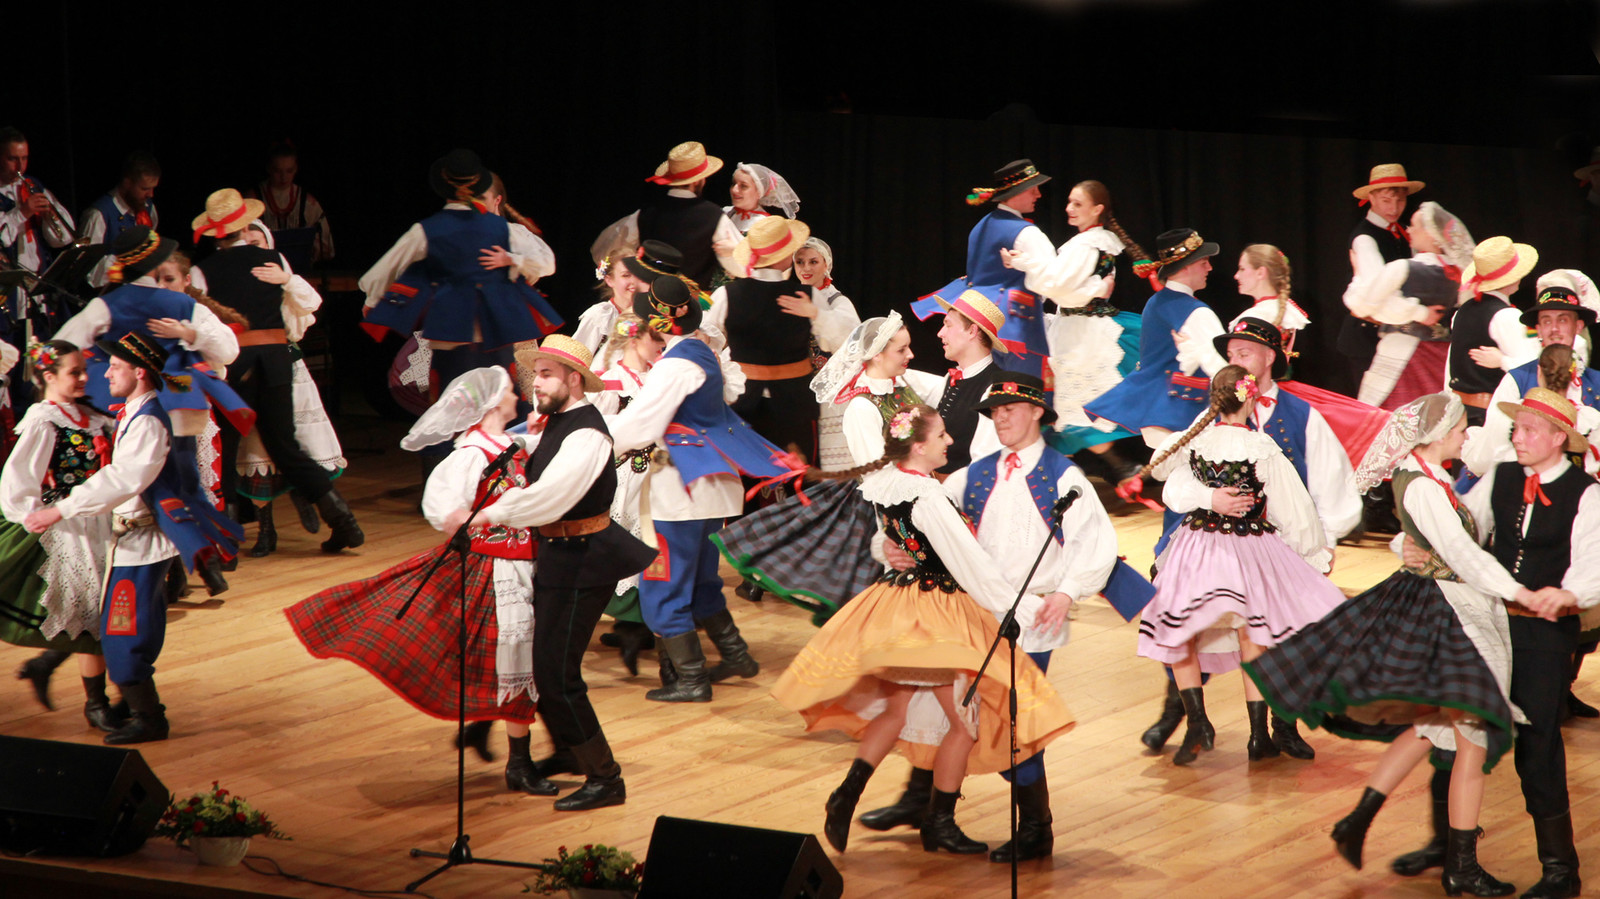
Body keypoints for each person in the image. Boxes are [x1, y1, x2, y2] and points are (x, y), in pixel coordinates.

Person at [1245, 391, 1546, 896]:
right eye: (1460, 428)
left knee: (1433, 725)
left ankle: (1359, 820)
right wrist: (1519, 592)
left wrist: (1409, 541)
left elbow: (1442, 529)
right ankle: (1461, 866)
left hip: (1443, 603)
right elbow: (1461, 551)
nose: (1466, 435)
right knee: (1473, 737)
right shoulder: (1424, 486)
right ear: (1436, 435)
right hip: (1455, 612)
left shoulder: (1427, 477)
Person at [770, 404, 1075, 857]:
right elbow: (967, 562)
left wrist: (889, 549)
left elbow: (891, 540)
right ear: (917, 446)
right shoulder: (928, 496)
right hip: (937, 613)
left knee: (895, 713)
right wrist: (1016, 608)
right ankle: (938, 823)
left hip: (898, 605)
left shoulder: (887, 484)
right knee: (964, 725)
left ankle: (846, 795)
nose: (949, 441)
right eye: (941, 435)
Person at [863, 373, 1128, 863]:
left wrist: (1067, 593)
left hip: (1032, 617)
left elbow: (1095, 543)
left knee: (1012, 720)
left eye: (1010, 409)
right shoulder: (975, 474)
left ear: (1037, 412)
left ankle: (1035, 828)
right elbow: (919, 522)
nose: (1000, 418)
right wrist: (888, 548)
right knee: (951, 711)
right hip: (974, 615)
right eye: (994, 411)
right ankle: (925, 803)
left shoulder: (1063, 476)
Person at [287, 366, 554, 796]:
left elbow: (532, 447)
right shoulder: (472, 453)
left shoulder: (504, 443)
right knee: (513, 656)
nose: (515, 396)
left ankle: (489, 733)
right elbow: (442, 504)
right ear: (491, 404)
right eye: (508, 391)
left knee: (504, 657)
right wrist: (472, 525)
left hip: (518, 561)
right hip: (494, 568)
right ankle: (518, 765)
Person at [1389, 387, 1598, 898]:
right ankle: (1447, 847)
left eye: (1528, 430)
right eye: (1515, 428)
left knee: (1537, 743)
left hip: (1544, 635)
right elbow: (1458, 530)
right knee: (1454, 727)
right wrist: (1411, 546)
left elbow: (1594, 562)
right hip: (1484, 621)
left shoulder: (1586, 493)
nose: (1516, 437)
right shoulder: (1501, 477)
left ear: (1558, 438)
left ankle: (1560, 869)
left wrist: (1569, 592)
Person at [1138, 316, 1362, 756]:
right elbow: (1173, 474)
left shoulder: (1302, 415)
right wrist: (1208, 498)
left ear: (1270, 357)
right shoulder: (1209, 424)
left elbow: (1328, 484)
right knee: (1192, 624)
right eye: (1231, 354)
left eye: (1244, 352)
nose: (1236, 358)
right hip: (1209, 541)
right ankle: (1182, 716)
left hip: (1273, 544)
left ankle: (1281, 727)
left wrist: (1322, 546)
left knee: (1271, 632)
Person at [464, 334, 656, 811]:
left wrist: (488, 514)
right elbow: (534, 451)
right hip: (561, 554)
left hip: (585, 560)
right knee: (544, 667)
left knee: (557, 675)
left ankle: (606, 778)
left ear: (574, 380)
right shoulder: (560, 422)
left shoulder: (588, 433)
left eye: (547, 374)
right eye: (536, 374)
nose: (536, 382)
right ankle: (570, 752)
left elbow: (550, 496)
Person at [24, 333, 244, 745]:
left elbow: (124, 478)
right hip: (129, 541)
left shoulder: (148, 420)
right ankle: (130, 704)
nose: (105, 373)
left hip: (141, 544)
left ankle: (150, 717)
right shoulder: (137, 412)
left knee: (123, 632)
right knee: (127, 627)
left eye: (115, 367)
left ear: (140, 372)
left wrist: (60, 509)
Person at [606, 277, 795, 702]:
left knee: (664, 582)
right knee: (701, 580)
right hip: (711, 486)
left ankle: (691, 680)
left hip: (682, 490)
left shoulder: (675, 366)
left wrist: (594, 440)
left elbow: (641, 425)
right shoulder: (703, 354)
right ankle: (735, 655)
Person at [713, 312, 942, 623]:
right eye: (902, 349)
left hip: (913, 498)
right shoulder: (862, 406)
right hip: (885, 507)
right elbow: (878, 475)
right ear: (876, 354)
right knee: (881, 591)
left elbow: (951, 387)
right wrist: (894, 526)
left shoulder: (902, 383)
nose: (911, 354)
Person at [198, 188, 364, 552]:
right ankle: (344, 522)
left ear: (214, 233)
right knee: (285, 447)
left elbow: (202, 323)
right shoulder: (274, 259)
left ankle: (225, 545)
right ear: (245, 227)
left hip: (234, 363)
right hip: (275, 361)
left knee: (225, 448)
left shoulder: (202, 271)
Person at [361, 150, 561, 402]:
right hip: (472, 333)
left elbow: (380, 275)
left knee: (479, 401)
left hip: (491, 333)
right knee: (477, 401)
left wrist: (373, 301)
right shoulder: (487, 231)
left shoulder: (438, 230)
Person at [4, 341, 118, 728]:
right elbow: (18, 478)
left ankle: (48, 666)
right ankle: (96, 704)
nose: (85, 377)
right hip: (70, 527)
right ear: (48, 376)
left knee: (95, 614)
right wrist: (30, 516)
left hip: (101, 521)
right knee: (92, 614)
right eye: (75, 372)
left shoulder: (92, 416)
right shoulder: (44, 420)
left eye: (84, 369)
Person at [224, 220, 344, 555]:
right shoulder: (233, 282)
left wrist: (286, 280)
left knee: (296, 443)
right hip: (249, 372)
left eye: (257, 241)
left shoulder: (282, 275)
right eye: (244, 242)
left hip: (287, 368)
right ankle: (266, 528)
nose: (250, 248)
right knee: (257, 450)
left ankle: (306, 494)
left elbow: (311, 303)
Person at [914, 159, 1057, 389]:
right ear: (1016, 192)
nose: (1038, 194)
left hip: (978, 320)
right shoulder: (1027, 234)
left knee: (984, 385)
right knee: (1025, 388)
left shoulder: (980, 226)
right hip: (1016, 327)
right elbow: (1053, 279)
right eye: (1033, 189)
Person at [704, 215, 830, 466]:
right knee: (799, 474)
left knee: (746, 473)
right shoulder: (807, 296)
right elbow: (834, 340)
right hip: (795, 404)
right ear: (785, 256)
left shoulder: (726, 295)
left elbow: (705, 339)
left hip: (741, 400)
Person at [1084, 228, 1227, 448]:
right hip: (1181, 411)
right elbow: (1221, 368)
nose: (1209, 267)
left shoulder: (1157, 302)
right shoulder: (1192, 311)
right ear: (1186, 265)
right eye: (1203, 262)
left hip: (1158, 406)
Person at [590, 311, 667, 674]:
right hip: (624, 475)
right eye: (656, 339)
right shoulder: (610, 381)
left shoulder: (661, 376)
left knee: (651, 543)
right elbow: (598, 432)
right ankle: (630, 624)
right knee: (623, 542)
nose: (662, 346)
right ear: (635, 340)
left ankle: (640, 624)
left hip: (658, 474)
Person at [1461, 284, 1600, 479]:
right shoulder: (1516, 380)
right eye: (1546, 321)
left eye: (1562, 320)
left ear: (1578, 326)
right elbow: (1493, 445)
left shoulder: (1596, 382)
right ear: (1538, 330)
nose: (1554, 329)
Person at [1350, 202, 1475, 411]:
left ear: (1432, 235)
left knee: (1395, 417)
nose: (1409, 230)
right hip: (1442, 357)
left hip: (1402, 356)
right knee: (1437, 415)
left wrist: (1358, 279)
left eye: (1414, 225)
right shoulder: (1461, 273)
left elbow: (1362, 306)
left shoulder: (1403, 267)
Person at [591, 141, 742, 290]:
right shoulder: (714, 216)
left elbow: (602, 250)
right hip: (693, 303)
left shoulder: (645, 214)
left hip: (650, 301)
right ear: (698, 181)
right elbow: (741, 266)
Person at [1340, 164, 1424, 382]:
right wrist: (1422, 313)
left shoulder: (1405, 232)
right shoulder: (1364, 238)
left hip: (1397, 335)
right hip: (1367, 337)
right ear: (1371, 198)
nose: (1394, 208)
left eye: (1400, 201)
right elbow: (1378, 290)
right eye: (1386, 201)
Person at [1448, 236, 1541, 427]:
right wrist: (1503, 361)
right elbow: (1534, 367)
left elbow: (1451, 364)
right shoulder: (1508, 316)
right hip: (1492, 416)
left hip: (1460, 413)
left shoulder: (1461, 312)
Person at [791, 237, 861, 471]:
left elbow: (852, 345)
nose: (806, 268)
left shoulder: (837, 302)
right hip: (802, 392)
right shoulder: (794, 298)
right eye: (800, 262)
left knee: (834, 461)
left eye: (813, 262)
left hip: (833, 395)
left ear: (826, 265)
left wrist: (818, 317)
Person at [929, 291, 1007, 475]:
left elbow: (986, 463)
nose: (940, 333)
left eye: (948, 325)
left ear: (972, 331)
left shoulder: (995, 388)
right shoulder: (951, 378)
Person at [244, 141, 335, 265]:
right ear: (269, 169)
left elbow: (326, 247)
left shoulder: (307, 202)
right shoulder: (253, 199)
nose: (283, 177)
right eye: (277, 171)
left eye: (289, 171)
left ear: (296, 169)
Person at [572, 249, 649, 368]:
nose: (633, 281)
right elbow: (575, 360)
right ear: (609, 280)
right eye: (626, 275)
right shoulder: (600, 315)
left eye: (637, 274)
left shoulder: (650, 314)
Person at [78, 151, 160, 247]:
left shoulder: (149, 207)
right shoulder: (99, 215)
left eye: (153, 188)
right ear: (127, 183)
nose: (151, 194)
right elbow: (88, 255)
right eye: (144, 189)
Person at [721, 162, 801, 233]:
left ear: (758, 193)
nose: (734, 190)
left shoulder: (765, 224)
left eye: (743, 186)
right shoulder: (726, 213)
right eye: (733, 183)